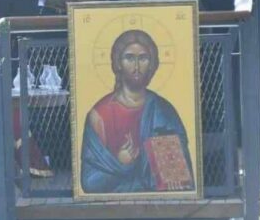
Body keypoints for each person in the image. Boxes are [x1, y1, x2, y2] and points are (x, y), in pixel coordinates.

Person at [81, 29, 194, 194]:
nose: (136, 67)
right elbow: (90, 182)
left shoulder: (163, 110)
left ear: (152, 64)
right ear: (118, 63)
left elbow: (179, 176)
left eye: (143, 58)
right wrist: (121, 163)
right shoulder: (99, 115)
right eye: (129, 58)